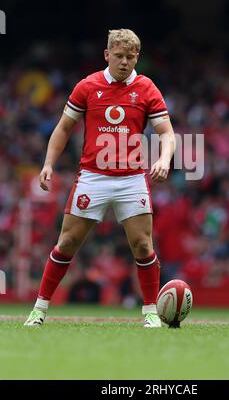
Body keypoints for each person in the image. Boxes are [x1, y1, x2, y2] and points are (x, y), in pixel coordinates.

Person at [24, 29, 176, 327]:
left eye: (130, 57)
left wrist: (164, 158)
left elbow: (166, 133)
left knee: (143, 246)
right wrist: (48, 163)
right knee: (66, 243)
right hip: (93, 177)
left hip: (132, 178)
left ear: (137, 58)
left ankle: (150, 312)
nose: (124, 62)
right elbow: (64, 128)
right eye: (118, 56)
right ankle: (39, 310)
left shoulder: (146, 89)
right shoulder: (88, 86)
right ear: (107, 55)